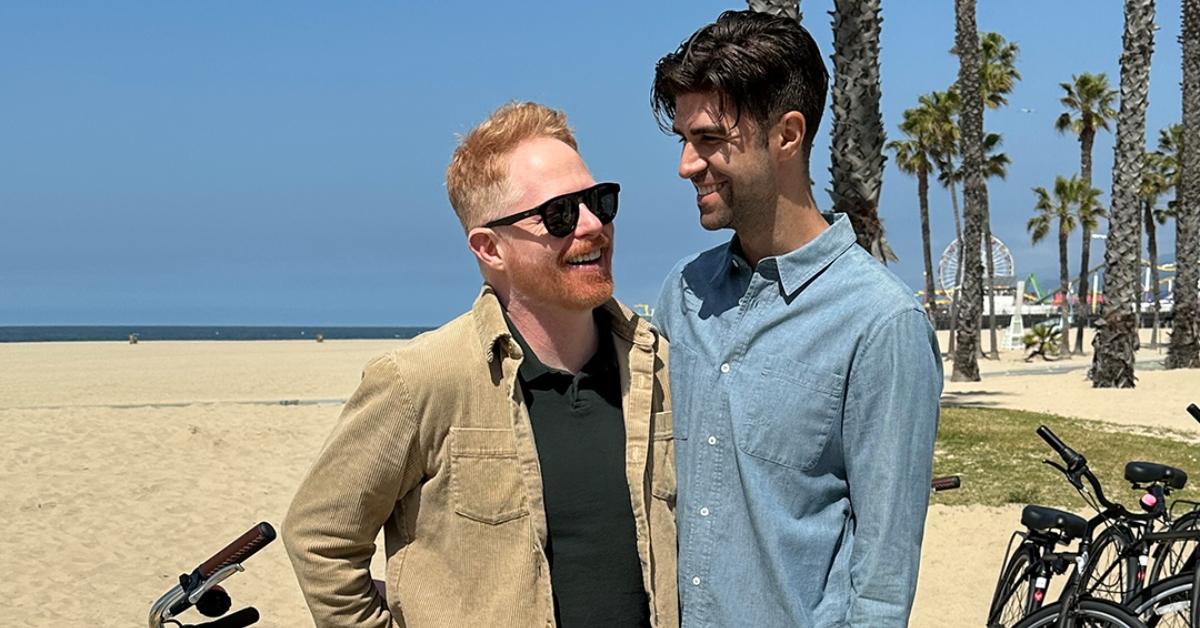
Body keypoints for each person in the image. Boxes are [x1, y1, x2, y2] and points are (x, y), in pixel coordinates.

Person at [283, 101, 678, 628]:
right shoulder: (419, 380)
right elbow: (319, 537)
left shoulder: (660, 366)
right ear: (489, 247)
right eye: (559, 213)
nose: (592, 226)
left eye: (599, 201)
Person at [649, 10, 941, 627]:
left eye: (709, 140)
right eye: (683, 139)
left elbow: (883, 585)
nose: (686, 165)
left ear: (786, 134)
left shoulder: (880, 323)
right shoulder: (684, 292)